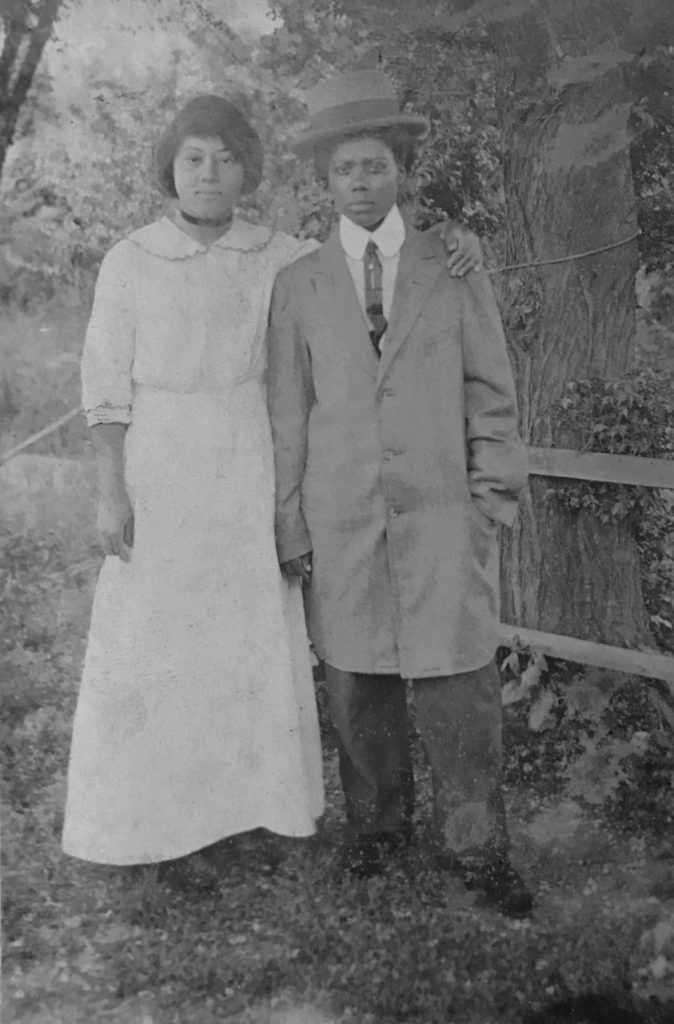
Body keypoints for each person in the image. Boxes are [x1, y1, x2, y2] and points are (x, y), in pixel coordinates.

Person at [62, 93, 482, 890]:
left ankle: (246, 811)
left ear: (247, 169)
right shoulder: (131, 259)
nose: (209, 174)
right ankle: (155, 823)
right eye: (194, 159)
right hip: (164, 469)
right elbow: (104, 390)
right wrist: (110, 492)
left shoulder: (280, 255)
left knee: (246, 645)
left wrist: (454, 241)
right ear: (170, 168)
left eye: (224, 159)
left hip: (250, 467)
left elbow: (370, 251)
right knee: (160, 649)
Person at [266, 70, 533, 917]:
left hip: (446, 513)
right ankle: (377, 833)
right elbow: (287, 413)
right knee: (357, 679)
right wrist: (292, 520)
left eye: (376, 165)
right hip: (343, 515)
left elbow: (492, 389)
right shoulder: (298, 285)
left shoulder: (451, 264)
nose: (361, 181)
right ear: (325, 181)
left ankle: (476, 846)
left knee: (460, 681)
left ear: (401, 170)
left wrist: (492, 496)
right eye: (345, 169)